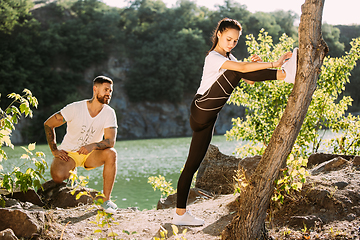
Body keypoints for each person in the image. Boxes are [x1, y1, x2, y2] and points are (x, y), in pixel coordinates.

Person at [173, 18, 298, 226]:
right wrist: (274, 64)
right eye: (228, 39)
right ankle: (286, 74)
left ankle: (179, 214)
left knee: (191, 165)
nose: (231, 44)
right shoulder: (213, 57)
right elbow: (239, 69)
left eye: (235, 41)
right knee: (237, 69)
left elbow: (247, 78)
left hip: (208, 118)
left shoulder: (229, 57)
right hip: (201, 108)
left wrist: (254, 66)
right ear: (219, 34)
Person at [44, 76, 118, 214]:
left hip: (91, 155)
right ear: (95, 89)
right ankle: (72, 173)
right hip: (68, 153)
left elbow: (110, 141)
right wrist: (54, 150)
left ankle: (106, 200)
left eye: (110, 91)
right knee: (58, 177)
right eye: (105, 89)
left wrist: (92, 146)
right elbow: (48, 124)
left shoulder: (109, 113)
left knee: (111, 153)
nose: (108, 93)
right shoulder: (75, 108)